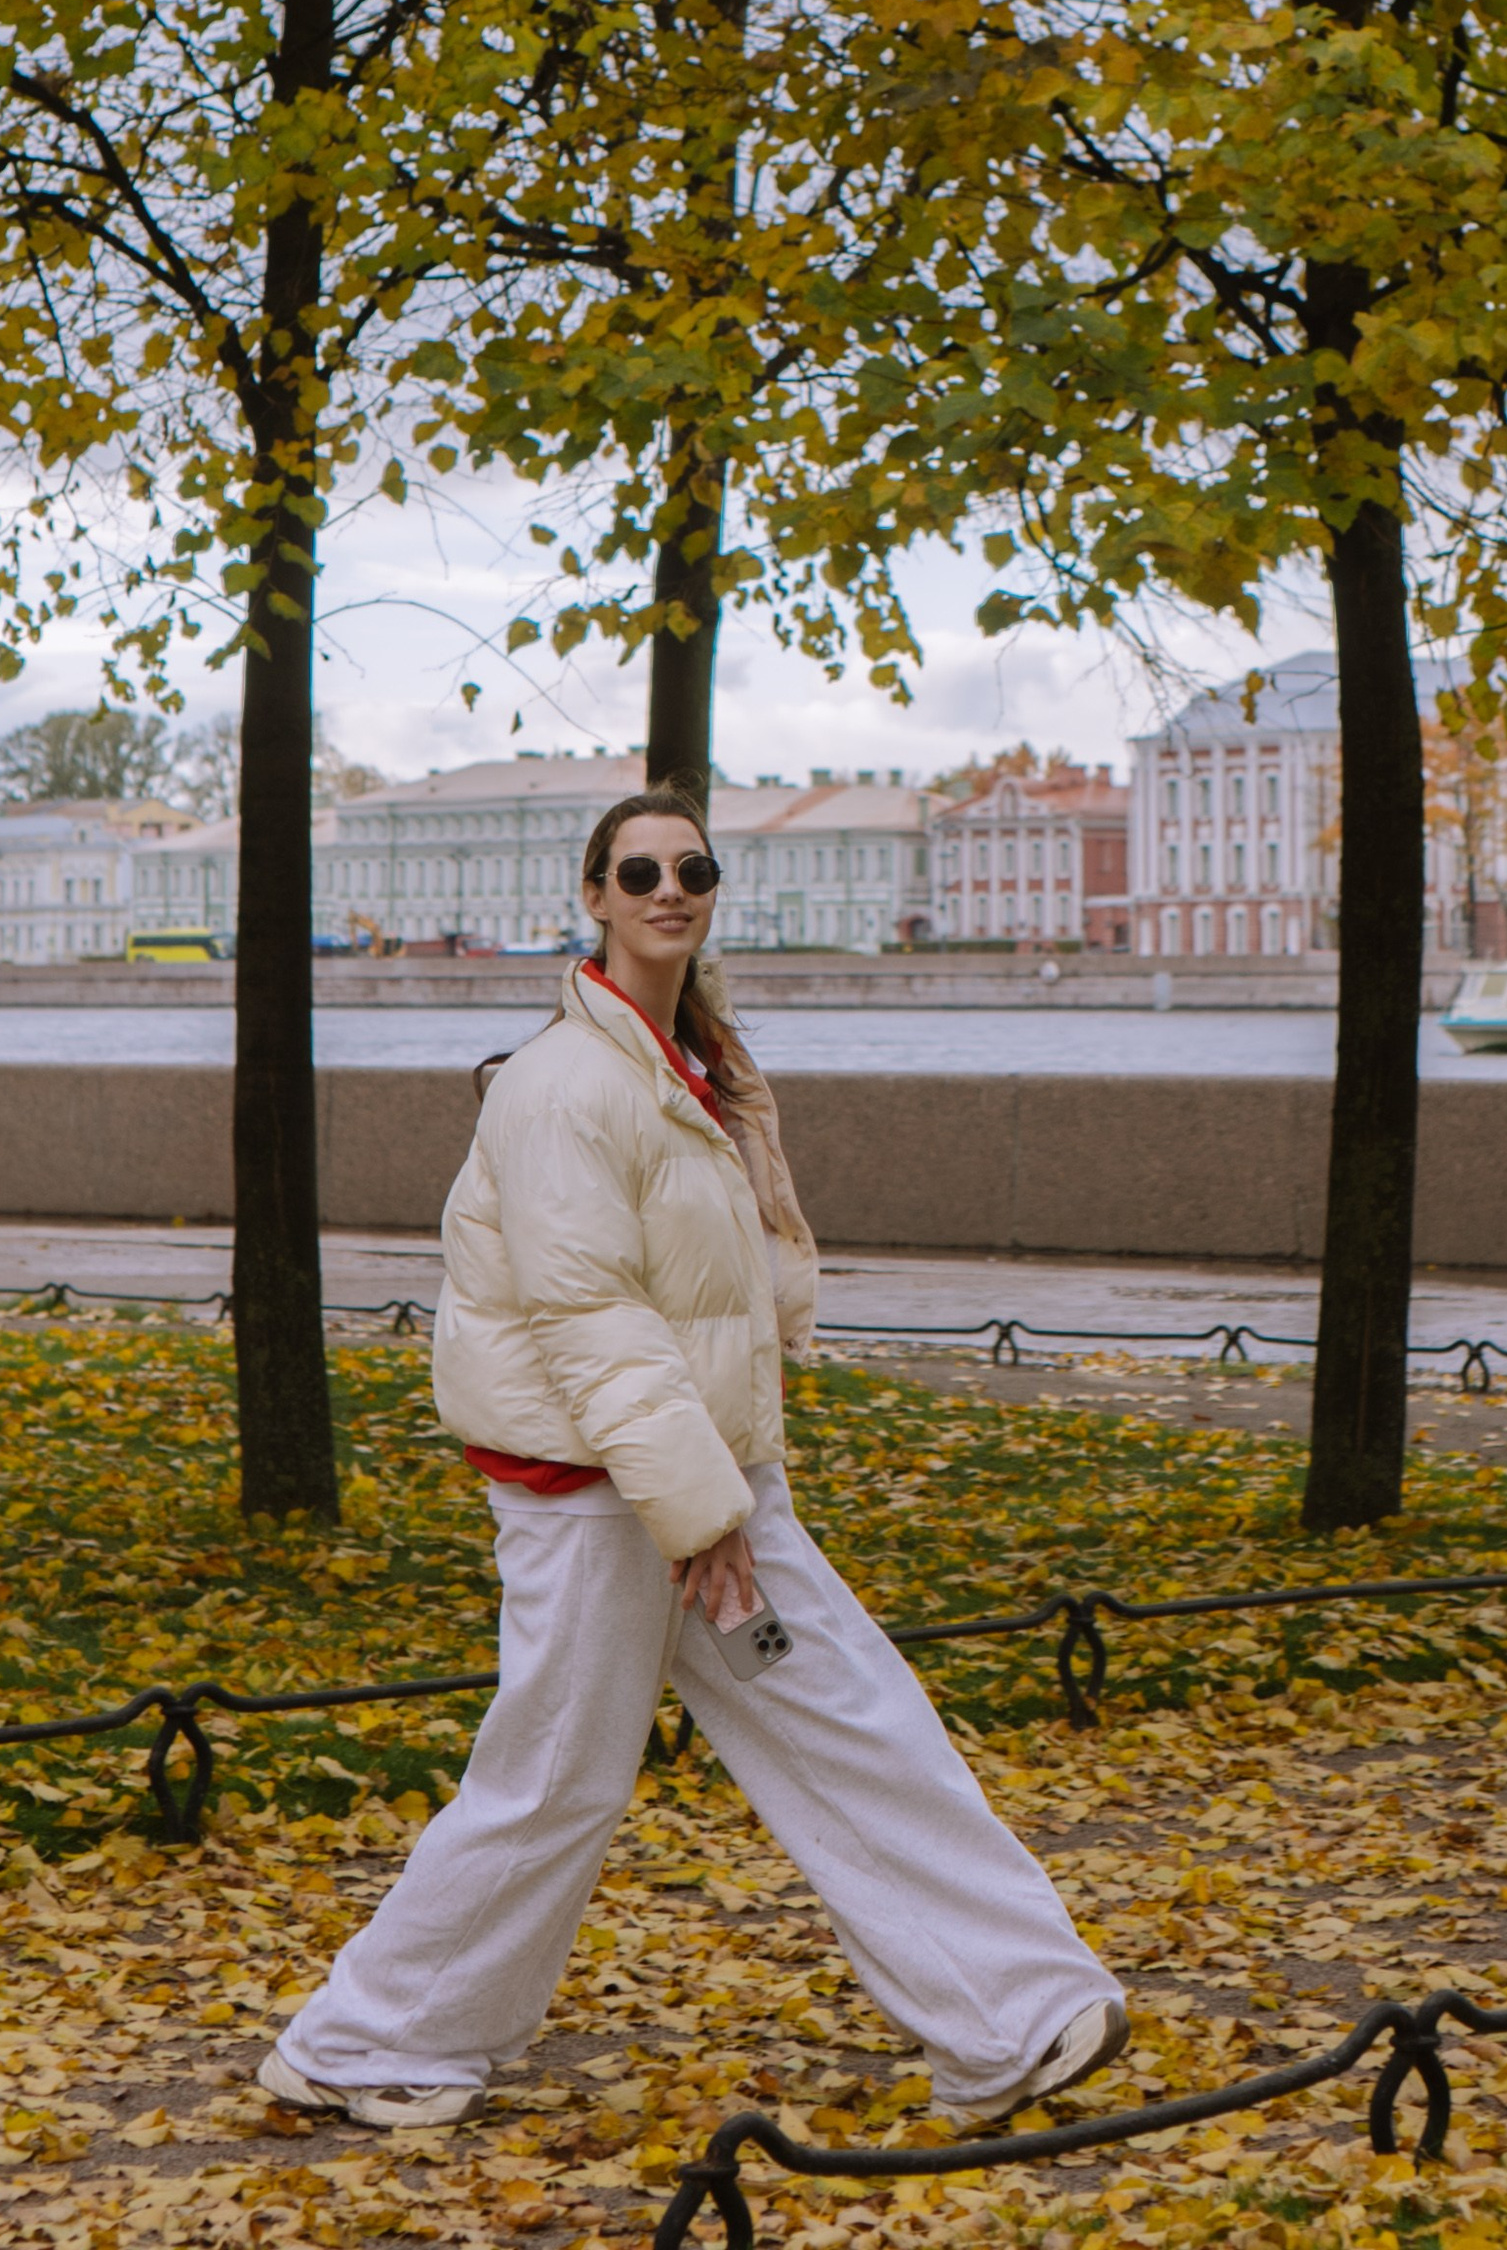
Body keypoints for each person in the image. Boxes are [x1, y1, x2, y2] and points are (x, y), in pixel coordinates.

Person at [261, 780, 1125, 2133]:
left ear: (712, 895)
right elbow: (589, 1317)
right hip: (608, 1495)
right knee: (558, 1777)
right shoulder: (562, 1087)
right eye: (641, 871)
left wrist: (720, 1488)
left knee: (858, 1725)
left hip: (696, 1479)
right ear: (596, 898)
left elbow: (712, 1301)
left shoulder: (691, 1069)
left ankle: (1012, 2018)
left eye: (693, 869)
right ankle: (365, 2042)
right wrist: (695, 1513)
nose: (670, 890)